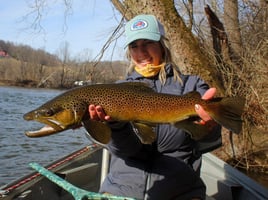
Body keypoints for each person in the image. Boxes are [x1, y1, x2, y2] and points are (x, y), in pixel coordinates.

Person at [88, 14, 222, 200]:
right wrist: (116, 127)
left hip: (181, 191)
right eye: (134, 46)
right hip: (122, 189)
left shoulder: (192, 85)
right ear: (129, 51)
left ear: (162, 45)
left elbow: (209, 142)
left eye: (147, 43)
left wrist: (211, 127)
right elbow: (126, 151)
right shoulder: (115, 93)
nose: (141, 52)